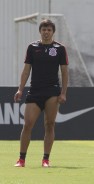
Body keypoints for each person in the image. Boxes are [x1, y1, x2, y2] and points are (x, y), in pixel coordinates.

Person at [14, 19, 69, 167]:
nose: (46, 32)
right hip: (35, 91)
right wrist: (20, 89)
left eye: (49, 30)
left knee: (49, 124)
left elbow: (64, 72)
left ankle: (45, 159)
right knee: (28, 124)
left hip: (52, 91)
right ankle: (21, 159)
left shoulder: (60, 48)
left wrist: (63, 92)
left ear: (53, 32)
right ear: (40, 31)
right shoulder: (32, 47)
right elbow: (26, 71)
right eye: (44, 29)